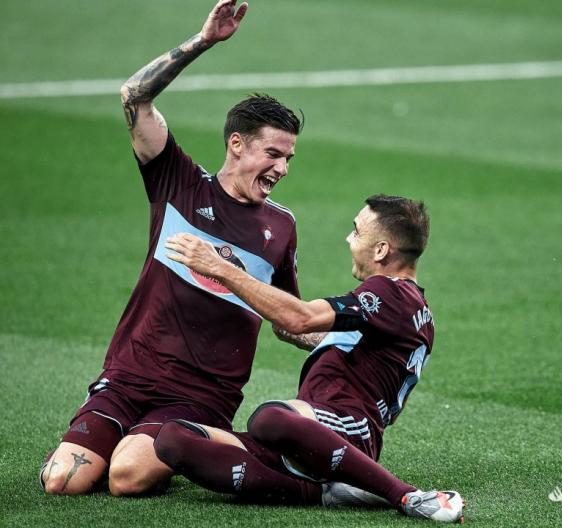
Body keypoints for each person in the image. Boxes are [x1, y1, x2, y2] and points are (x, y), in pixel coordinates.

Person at [41, 0, 304, 496]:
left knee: (125, 476)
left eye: (289, 158)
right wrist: (203, 41)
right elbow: (134, 96)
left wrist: (339, 337)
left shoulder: (280, 227)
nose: (282, 168)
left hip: (201, 396)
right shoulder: (178, 182)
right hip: (129, 376)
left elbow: (286, 314)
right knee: (64, 482)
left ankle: (196, 443)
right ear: (237, 145)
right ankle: (134, 442)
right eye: (273, 153)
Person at [156, 195, 465, 523]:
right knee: (174, 439)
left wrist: (219, 268)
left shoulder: (390, 293)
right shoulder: (414, 310)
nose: (349, 239)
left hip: (345, 429)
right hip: (311, 436)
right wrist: (263, 289)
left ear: (381, 250)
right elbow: (302, 331)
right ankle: (324, 491)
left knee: (269, 419)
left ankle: (405, 495)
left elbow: (299, 319)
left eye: (357, 232)